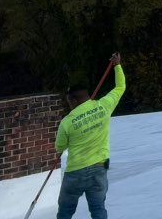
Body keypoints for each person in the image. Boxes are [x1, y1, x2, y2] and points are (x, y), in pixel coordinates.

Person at [55, 53, 126, 219]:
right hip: (100, 167)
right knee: (98, 208)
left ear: (73, 101)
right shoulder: (104, 106)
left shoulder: (67, 122)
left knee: (65, 211)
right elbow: (120, 87)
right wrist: (117, 65)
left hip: (75, 172)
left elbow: (60, 147)